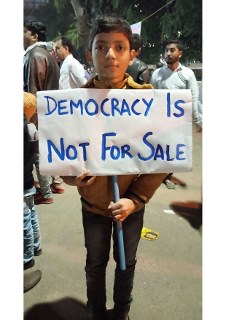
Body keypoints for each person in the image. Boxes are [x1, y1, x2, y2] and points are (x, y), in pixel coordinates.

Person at [61, 15, 167, 320]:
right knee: (95, 262)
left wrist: (135, 200)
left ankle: (121, 312)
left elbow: (162, 159)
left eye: (119, 47)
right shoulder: (74, 102)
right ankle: (95, 310)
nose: (110, 54)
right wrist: (74, 178)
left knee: (126, 262)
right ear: (89, 54)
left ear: (132, 53)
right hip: (92, 205)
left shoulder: (148, 99)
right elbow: (64, 159)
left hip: (131, 206)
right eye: (101, 47)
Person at [151, 39, 202, 189]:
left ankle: (167, 175)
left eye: (172, 50)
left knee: (173, 148)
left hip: (180, 121)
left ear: (180, 53)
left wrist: (196, 120)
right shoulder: (157, 74)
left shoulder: (187, 74)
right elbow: (151, 95)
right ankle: (156, 175)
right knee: (159, 146)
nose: (168, 53)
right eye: (167, 50)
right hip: (160, 119)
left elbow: (193, 97)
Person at [24, 20, 64, 203]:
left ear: (34, 36)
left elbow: (33, 90)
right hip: (46, 112)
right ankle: (49, 187)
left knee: (37, 152)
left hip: (36, 113)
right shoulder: (45, 54)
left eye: (23, 32)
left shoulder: (35, 55)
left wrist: (29, 118)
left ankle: (46, 192)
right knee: (40, 151)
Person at [24, 92, 42, 271]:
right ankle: (36, 246)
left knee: (23, 223)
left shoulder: (24, 129)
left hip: (23, 183)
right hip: (28, 181)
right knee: (31, 216)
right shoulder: (32, 128)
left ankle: (26, 257)